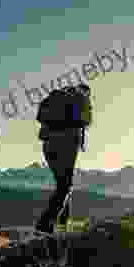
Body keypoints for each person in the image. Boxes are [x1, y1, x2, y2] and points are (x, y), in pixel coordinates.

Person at [34, 84, 92, 234]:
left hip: (48, 145)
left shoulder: (58, 97)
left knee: (63, 184)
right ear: (85, 92)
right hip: (67, 142)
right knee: (65, 185)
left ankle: (62, 222)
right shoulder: (81, 98)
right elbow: (87, 121)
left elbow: (41, 118)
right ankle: (45, 225)